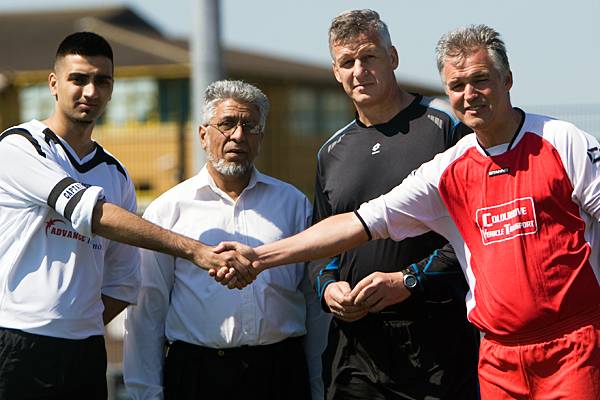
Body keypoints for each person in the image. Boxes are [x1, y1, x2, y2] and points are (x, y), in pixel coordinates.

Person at [217, 24, 600, 399]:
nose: (470, 95)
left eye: (480, 80)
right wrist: (259, 257)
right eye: (456, 86)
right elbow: (358, 223)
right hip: (497, 356)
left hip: (571, 345)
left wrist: (410, 280)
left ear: (508, 80)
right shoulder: (446, 168)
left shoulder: (563, 142)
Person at [0, 32, 253, 400]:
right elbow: (91, 212)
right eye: (78, 79)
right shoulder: (19, 147)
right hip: (16, 342)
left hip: (85, 351)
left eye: (102, 81)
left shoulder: (114, 174)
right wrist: (196, 251)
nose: (90, 91)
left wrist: (75, 323)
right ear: (54, 84)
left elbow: (122, 282)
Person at [306, 9, 479, 400]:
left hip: (437, 339)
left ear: (393, 58)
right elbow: (321, 243)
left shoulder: (446, 126)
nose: (359, 70)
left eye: (369, 57)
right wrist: (329, 288)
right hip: (355, 347)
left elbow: (478, 230)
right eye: (347, 62)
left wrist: (409, 280)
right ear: (336, 72)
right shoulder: (330, 152)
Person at [123, 80, 329, 400]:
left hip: (280, 373)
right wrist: (145, 394)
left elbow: (314, 305)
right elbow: (147, 311)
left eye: (250, 126)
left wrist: (320, 387)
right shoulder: (168, 210)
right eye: (227, 124)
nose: (238, 135)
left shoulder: (293, 204)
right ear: (203, 134)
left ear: (261, 137)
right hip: (198, 374)